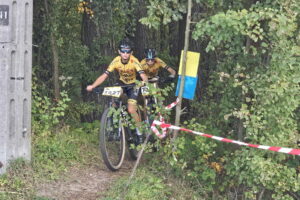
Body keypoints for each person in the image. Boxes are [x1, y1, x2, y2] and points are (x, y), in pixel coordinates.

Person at [86, 38, 148, 142]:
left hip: (133, 85)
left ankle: (139, 131)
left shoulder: (134, 61)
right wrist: (93, 86)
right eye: (123, 51)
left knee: (131, 109)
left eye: (127, 51)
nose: (125, 53)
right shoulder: (116, 61)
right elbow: (104, 76)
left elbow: (143, 75)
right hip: (122, 83)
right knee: (114, 98)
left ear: (131, 52)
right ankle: (113, 126)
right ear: (119, 51)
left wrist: (144, 82)